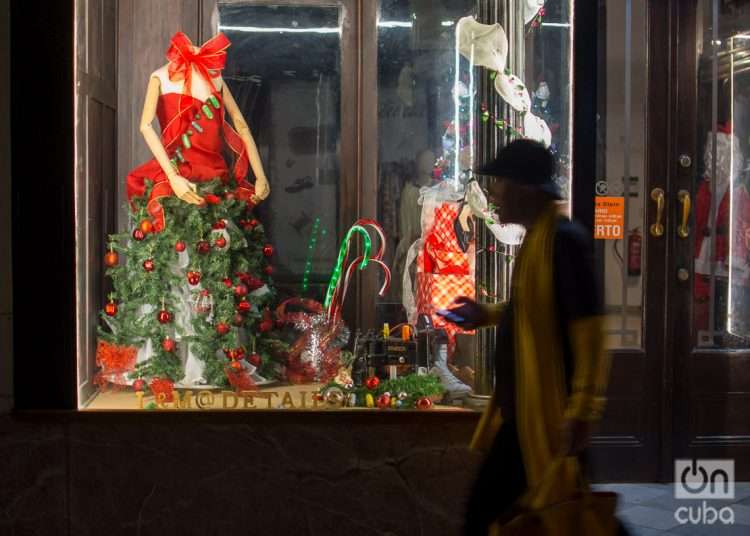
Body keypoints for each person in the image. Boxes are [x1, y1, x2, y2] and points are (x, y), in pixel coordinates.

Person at [443, 139, 612, 534]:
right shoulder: (540, 239)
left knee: (513, 515)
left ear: (522, 189)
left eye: (499, 183)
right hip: (523, 415)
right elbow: (532, 312)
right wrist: (484, 314)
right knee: (526, 517)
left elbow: (589, 332)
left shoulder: (565, 242)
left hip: (546, 418)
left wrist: (583, 409)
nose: (494, 194)